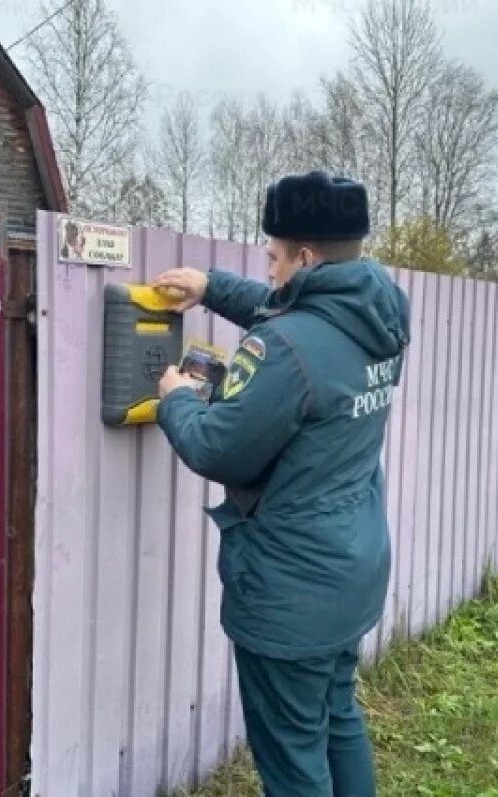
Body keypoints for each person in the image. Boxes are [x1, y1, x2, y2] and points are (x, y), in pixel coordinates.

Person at [152, 170, 411, 797]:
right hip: (351, 569)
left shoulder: (284, 348)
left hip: (291, 591)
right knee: (337, 716)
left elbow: (217, 448)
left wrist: (176, 398)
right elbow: (299, 316)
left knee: (293, 759)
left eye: (273, 257)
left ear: (306, 258)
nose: (268, 270)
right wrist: (211, 287)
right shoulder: (378, 315)